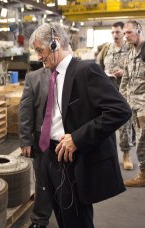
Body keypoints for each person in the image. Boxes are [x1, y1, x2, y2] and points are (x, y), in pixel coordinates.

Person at [28, 23, 131, 228]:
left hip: (72, 161)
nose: (39, 57)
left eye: (40, 50)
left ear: (55, 44)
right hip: (51, 156)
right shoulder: (53, 74)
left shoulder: (86, 70)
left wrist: (77, 138)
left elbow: (120, 110)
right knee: (62, 217)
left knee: (76, 221)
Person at [96, 21, 134, 170]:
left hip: (125, 92)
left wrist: (124, 73)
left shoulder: (131, 48)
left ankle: (126, 154)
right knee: (105, 124)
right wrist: (103, 75)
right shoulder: (106, 48)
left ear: (123, 32)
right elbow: (97, 66)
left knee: (125, 125)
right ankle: (106, 156)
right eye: (112, 32)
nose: (115, 35)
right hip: (108, 92)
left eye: (117, 32)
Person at [19, 68, 53, 228]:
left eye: (41, 50)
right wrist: (26, 139)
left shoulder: (76, 72)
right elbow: (25, 110)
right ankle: (40, 220)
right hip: (43, 139)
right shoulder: (34, 78)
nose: (39, 56)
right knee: (43, 180)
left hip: (68, 139)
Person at [120, 20, 145, 187]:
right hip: (131, 104)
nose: (126, 36)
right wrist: (121, 101)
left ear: (139, 30)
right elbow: (126, 79)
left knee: (142, 140)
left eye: (129, 32)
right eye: (124, 33)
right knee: (138, 140)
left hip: (144, 104)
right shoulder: (130, 52)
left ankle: (143, 175)